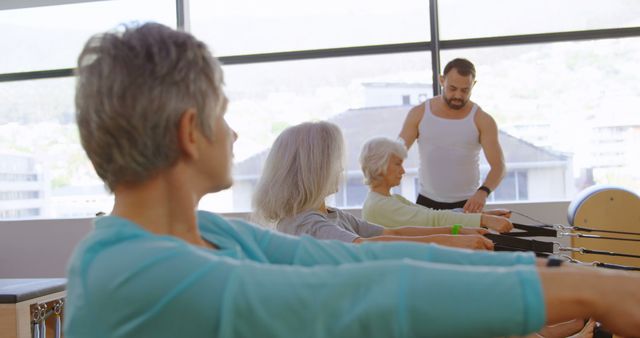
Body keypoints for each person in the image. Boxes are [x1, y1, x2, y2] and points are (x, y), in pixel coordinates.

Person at [64, 23, 640, 338]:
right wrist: (593, 289)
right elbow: (353, 297)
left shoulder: (214, 233)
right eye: (223, 111)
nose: (235, 136)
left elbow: (358, 264)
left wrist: (571, 273)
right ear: (191, 132)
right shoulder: (133, 272)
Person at [252, 121, 495, 250]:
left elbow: (392, 233)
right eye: (335, 163)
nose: (340, 169)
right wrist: (452, 238)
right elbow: (367, 246)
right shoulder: (304, 224)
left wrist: (455, 232)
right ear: (316, 170)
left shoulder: (334, 216)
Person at [399, 58, 505, 213]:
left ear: (473, 85)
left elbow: (499, 166)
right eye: (452, 88)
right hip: (426, 202)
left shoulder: (483, 120)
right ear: (442, 81)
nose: (458, 95)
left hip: (468, 204)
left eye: (464, 90)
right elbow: (396, 153)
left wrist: (483, 192)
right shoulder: (419, 113)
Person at [360, 136, 513, 232]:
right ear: (380, 165)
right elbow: (433, 220)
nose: (403, 171)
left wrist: (484, 215)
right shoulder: (379, 206)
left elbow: (430, 214)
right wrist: (483, 220)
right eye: (398, 164)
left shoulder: (389, 200)